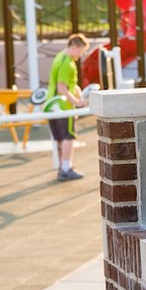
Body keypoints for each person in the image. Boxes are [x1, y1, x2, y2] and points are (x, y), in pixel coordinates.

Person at [45, 33, 90, 181]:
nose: (81, 55)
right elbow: (62, 87)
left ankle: (62, 168)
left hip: (52, 104)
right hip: (63, 105)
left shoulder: (60, 57)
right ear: (74, 47)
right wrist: (77, 102)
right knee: (68, 137)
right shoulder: (68, 63)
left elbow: (70, 84)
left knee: (60, 137)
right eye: (81, 51)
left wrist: (78, 95)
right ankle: (66, 168)